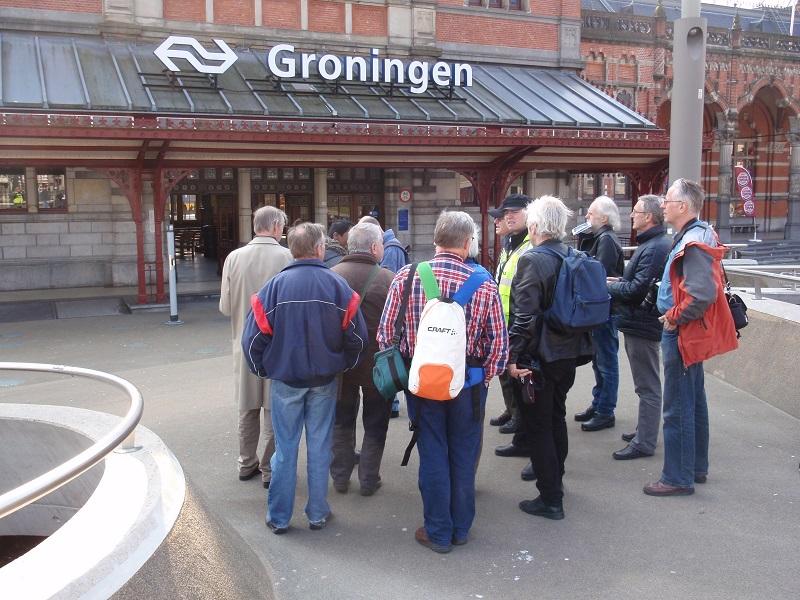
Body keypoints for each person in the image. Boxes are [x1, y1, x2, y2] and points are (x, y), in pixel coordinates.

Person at [377, 211, 507, 553]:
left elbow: (385, 334)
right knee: (464, 454)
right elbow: (499, 347)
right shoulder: (484, 283)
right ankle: (460, 528)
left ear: (436, 240)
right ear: (468, 244)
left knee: (432, 451)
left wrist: (408, 366)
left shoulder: (407, 276)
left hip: (422, 384)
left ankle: (437, 531)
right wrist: (485, 378)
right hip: (468, 385)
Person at [242, 222, 368, 533]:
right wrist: (343, 364)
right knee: (319, 446)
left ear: (292, 249)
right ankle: (317, 512)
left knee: (285, 449)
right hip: (324, 380)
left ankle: (280, 517)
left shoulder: (272, 289)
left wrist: (265, 370)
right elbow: (358, 339)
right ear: (320, 248)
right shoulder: (339, 288)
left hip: (285, 380)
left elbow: (253, 341)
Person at [644, 179, 737, 496]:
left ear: (682, 207)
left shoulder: (691, 243)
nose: (662, 204)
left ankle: (677, 477)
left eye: (667, 200)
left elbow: (701, 294)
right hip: (689, 333)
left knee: (678, 406)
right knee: (693, 401)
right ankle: (695, 468)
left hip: (682, 333)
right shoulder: (699, 235)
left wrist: (673, 317)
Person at [507, 196, 593, 520]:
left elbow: (524, 316)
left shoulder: (532, 260)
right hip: (568, 353)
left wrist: (512, 356)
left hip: (537, 357)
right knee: (556, 416)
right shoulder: (573, 254)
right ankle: (556, 478)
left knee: (538, 426)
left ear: (533, 227)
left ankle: (550, 499)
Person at [219, 206, 292, 488]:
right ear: (275, 226)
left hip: (243, 346)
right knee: (275, 409)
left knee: (247, 408)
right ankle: (268, 467)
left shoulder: (234, 258)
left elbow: (225, 307)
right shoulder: (287, 257)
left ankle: (245, 462)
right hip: (277, 348)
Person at [329, 223, 395, 496]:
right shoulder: (389, 279)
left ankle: (341, 477)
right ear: (374, 247)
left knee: (342, 421)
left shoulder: (331, 276)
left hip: (341, 366)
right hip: (377, 365)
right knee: (376, 421)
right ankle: (369, 478)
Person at [607, 195, 671, 460]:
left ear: (649, 217)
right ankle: (643, 432)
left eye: (636, 211)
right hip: (639, 321)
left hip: (642, 323)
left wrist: (610, 285)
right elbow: (637, 282)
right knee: (645, 383)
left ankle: (644, 441)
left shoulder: (655, 246)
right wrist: (620, 279)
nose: (631, 215)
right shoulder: (652, 244)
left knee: (647, 385)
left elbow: (636, 290)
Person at [491, 195, 536, 480]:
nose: (504, 218)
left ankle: (524, 433)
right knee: (512, 381)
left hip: (521, 328)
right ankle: (521, 432)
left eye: (510, 213)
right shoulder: (511, 245)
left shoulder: (530, 247)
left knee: (526, 386)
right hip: (508, 324)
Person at [574, 195, 625, 432]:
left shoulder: (605, 239)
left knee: (605, 361)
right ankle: (599, 403)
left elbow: (596, 274)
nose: (587, 216)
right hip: (604, 309)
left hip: (604, 310)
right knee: (601, 360)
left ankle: (605, 410)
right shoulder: (603, 238)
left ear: (604, 217)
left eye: (591, 213)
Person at [359, 214, 410, 418]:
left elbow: (386, 282)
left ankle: (393, 401)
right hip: (391, 315)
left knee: (389, 358)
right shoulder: (392, 246)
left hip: (389, 315)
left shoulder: (389, 250)